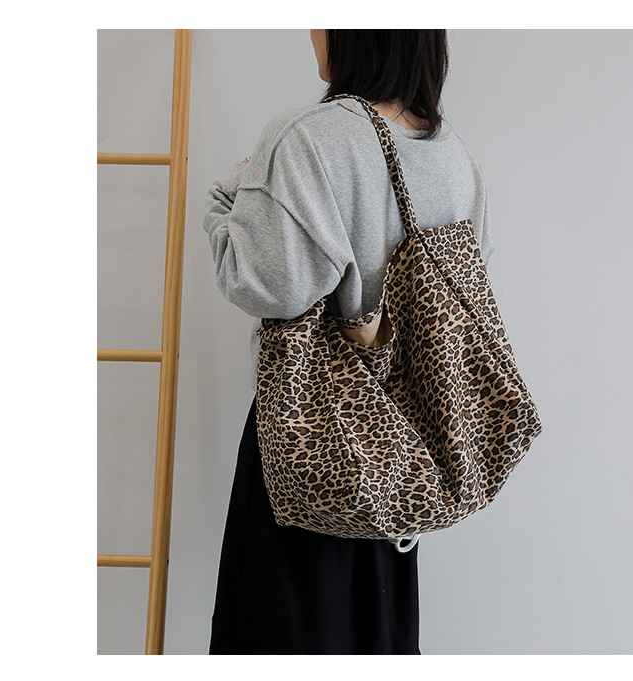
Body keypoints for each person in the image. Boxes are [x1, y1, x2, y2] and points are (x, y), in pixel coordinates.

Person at [201, 29, 494, 655]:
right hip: (404, 456)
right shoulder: (451, 154)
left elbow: (267, 284)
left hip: (307, 439)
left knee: (283, 634)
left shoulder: (308, 137)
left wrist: (228, 197)